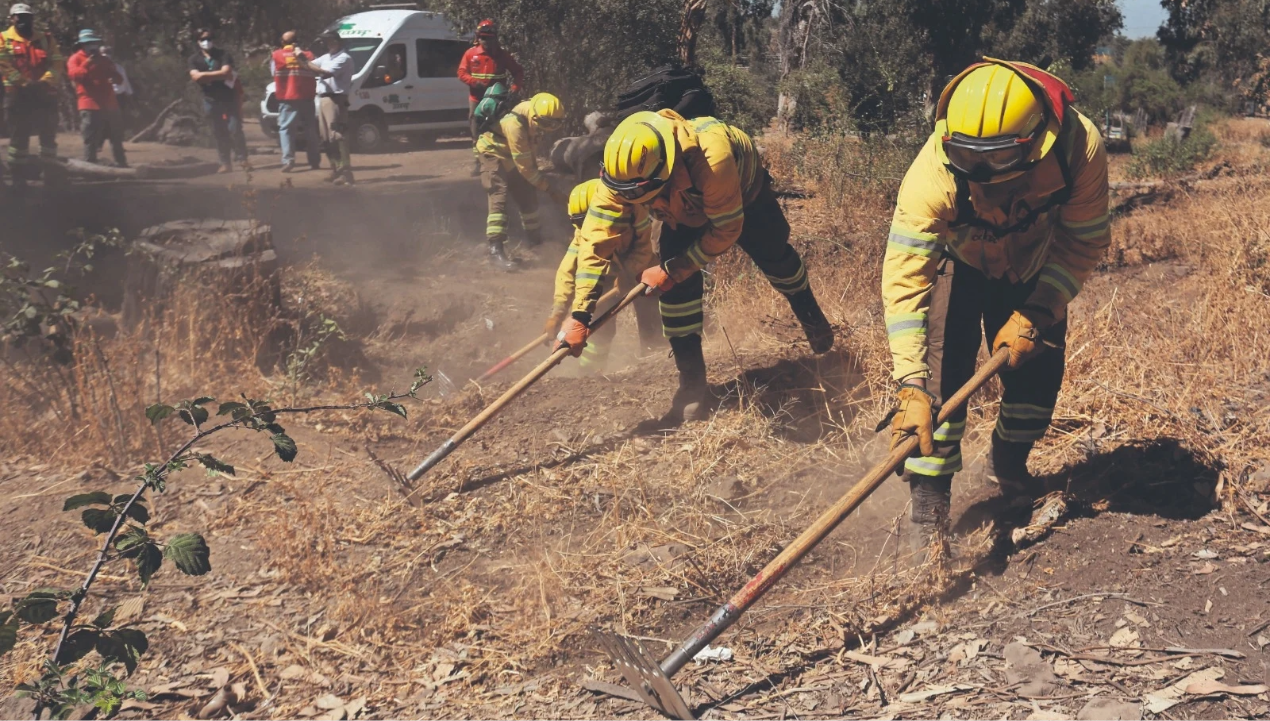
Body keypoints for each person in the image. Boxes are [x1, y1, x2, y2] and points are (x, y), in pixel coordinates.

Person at [879, 59, 1110, 550]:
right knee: (940, 383)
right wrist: (910, 385)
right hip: (959, 264)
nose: (982, 182)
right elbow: (904, 278)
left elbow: (1083, 241)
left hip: (1033, 268)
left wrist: (1039, 310)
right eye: (972, 167)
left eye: (997, 170)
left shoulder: (1078, 148)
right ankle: (929, 507)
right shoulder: (931, 175)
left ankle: (1008, 461)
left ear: (1035, 146)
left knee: (1036, 382)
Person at [574, 110, 834, 428]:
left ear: (664, 171)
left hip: (745, 196)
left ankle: (812, 319)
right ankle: (693, 386)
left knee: (776, 259)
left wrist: (674, 269)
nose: (627, 200)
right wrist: (579, 315)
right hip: (681, 210)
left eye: (635, 194)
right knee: (675, 295)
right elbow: (595, 243)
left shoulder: (714, 161)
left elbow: (726, 230)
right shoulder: (623, 175)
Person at [547, 178, 656, 372]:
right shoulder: (585, 231)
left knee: (651, 311)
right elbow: (568, 271)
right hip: (607, 272)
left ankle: (655, 361)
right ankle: (590, 374)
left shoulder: (635, 213)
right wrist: (558, 311)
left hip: (645, 270)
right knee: (599, 325)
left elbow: (644, 249)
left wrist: (629, 273)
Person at [474, 92, 566, 270]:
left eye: (552, 124)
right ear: (535, 115)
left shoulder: (535, 117)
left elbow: (528, 156)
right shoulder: (514, 124)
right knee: (498, 196)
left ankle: (536, 242)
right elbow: (525, 167)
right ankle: (495, 249)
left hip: (513, 154)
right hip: (493, 153)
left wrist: (537, 181)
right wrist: (550, 189)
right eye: (546, 123)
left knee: (527, 195)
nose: (547, 128)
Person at [0, 3, 63, 183]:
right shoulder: (3, 38)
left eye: (26, 16)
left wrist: (45, 81)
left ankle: (51, 175)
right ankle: (18, 178)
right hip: (17, 95)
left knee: (48, 136)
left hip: (44, 93)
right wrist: (24, 82)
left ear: (32, 18)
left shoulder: (46, 39)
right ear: (11, 19)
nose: (22, 20)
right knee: (19, 138)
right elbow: (3, 65)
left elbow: (57, 63)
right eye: (18, 17)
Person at [457, 19, 523, 174]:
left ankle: (505, 161)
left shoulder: (503, 55)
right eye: (483, 38)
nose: (486, 41)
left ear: (495, 38)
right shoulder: (471, 54)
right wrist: (474, 82)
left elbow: (518, 72)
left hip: (497, 101)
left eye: (489, 38)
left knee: (500, 130)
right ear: (478, 38)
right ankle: (479, 162)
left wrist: (514, 88)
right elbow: (461, 73)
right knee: (475, 130)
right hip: (477, 99)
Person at [188, 28, 247, 173]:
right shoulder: (194, 59)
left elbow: (227, 72)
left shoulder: (223, 55)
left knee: (235, 129)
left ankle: (243, 158)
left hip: (229, 98)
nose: (206, 42)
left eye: (209, 38)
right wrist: (218, 75)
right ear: (197, 41)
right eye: (202, 39)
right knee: (218, 132)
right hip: (210, 99)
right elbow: (195, 77)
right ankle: (225, 162)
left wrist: (205, 76)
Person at [66, 29, 126, 167]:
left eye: (94, 43)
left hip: (110, 103)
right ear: (82, 45)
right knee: (91, 136)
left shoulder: (105, 60)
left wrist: (114, 78)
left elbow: (118, 78)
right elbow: (74, 75)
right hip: (89, 103)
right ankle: (89, 164)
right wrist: (87, 63)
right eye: (88, 43)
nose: (92, 46)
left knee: (116, 136)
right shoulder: (75, 58)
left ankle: (121, 163)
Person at [302, 31, 354, 185]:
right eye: (327, 42)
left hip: (336, 99)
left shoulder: (344, 58)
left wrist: (303, 58)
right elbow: (308, 66)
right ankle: (336, 169)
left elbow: (323, 73)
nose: (328, 44)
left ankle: (346, 172)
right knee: (325, 138)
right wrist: (300, 57)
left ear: (337, 41)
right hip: (324, 99)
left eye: (331, 41)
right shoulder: (326, 57)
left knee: (337, 136)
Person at [271, 30, 320, 172]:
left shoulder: (276, 55)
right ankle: (314, 161)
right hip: (307, 97)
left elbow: (273, 73)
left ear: (282, 42)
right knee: (310, 130)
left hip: (287, 98)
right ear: (297, 42)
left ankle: (288, 161)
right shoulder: (309, 55)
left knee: (286, 130)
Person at [100, 46, 132, 131]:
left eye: (108, 52)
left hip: (118, 96)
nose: (106, 55)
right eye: (104, 52)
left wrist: (129, 92)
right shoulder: (98, 68)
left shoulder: (119, 67)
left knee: (118, 117)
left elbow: (125, 81)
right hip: (104, 96)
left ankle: (118, 133)